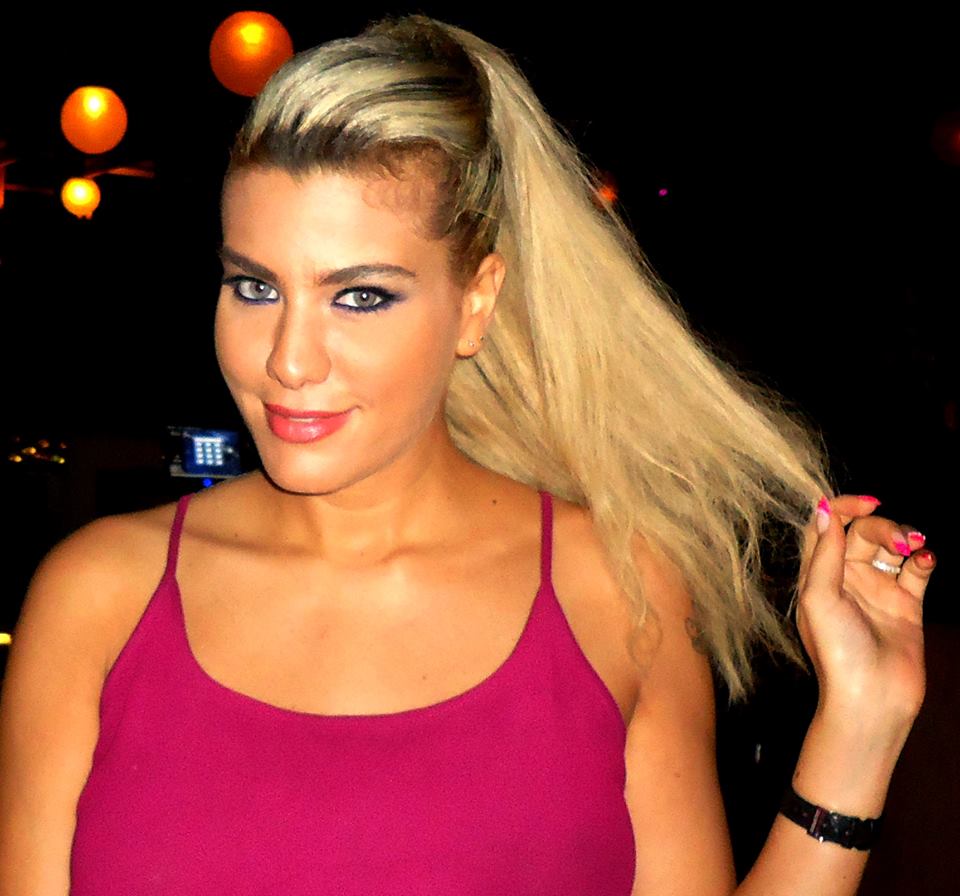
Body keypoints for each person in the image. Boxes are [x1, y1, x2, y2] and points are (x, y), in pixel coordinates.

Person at [0, 13, 936, 896]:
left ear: (477, 301)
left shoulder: (617, 592)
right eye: (254, 287)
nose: (288, 359)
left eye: (360, 296)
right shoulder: (98, 600)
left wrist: (862, 726)